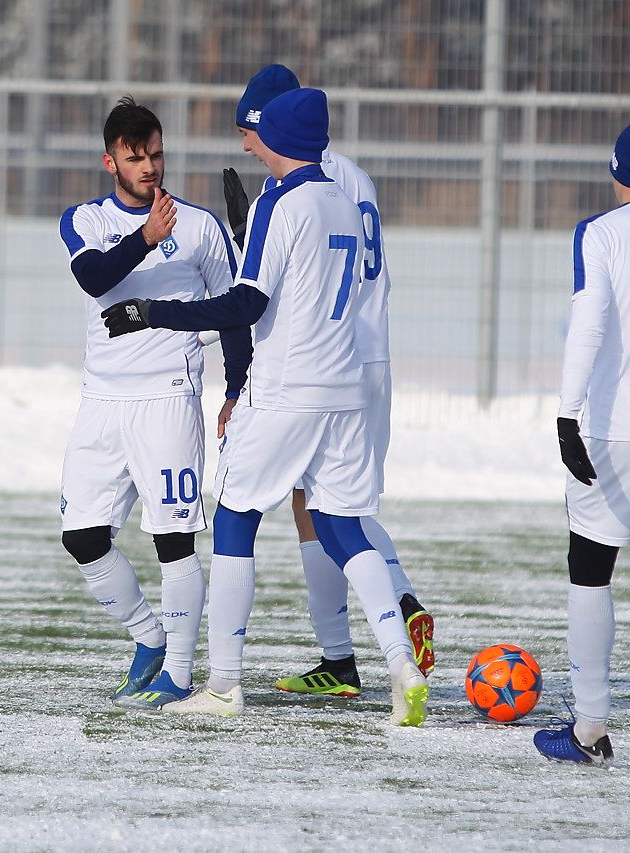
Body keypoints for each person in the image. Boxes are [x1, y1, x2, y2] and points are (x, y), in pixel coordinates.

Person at [102, 88, 429, 726]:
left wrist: (152, 313)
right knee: (343, 528)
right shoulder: (342, 194)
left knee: (234, 522)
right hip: (343, 393)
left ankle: (223, 684)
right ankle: (400, 665)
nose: (247, 141)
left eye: (256, 132)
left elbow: (246, 304)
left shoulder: (283, 201)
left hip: (285, 391)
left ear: (276, 137)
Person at [222, 64, 434, 698]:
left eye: (250, 126)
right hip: (367, 357)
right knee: (332, 505)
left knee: (307, 508)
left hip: (319, 358)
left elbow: (271, 291)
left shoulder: (294, 187)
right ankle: (353, 649)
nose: (247, 141)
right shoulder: (351, 177)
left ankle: (383, 609)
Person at [58, 96, 250, 711]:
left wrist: (236, 389)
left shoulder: (198, 227)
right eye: (135, 157)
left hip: (169, 400)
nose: (150, 167)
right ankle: (148, 636)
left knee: (174, 540)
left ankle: (177, 672)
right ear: (110, 160)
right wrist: (146, 238)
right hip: (101, 403)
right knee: (82, 536)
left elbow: (236, 314)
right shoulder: (83, 220)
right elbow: (94, 279)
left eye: (157, 155)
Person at [533, 122, 630, 767]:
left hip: (611, 428)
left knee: (592, 569)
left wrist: (567, 415)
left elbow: (590, 322)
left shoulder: (600, 233)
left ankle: (590, 728)